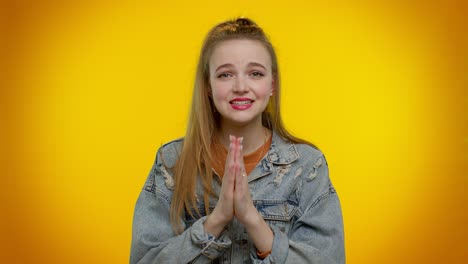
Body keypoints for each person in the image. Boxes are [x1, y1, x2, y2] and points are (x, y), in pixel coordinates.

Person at [130, 17, 345, 264]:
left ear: (272, 84)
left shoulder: (308, 166)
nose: (241, 86)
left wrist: (251, 219)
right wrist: (217, 219)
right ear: (208, 86)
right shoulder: (171, 162)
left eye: (255, 73)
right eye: (225, 75)